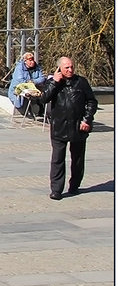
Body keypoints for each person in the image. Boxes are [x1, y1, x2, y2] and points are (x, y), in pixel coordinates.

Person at [42, 57, 97, 200]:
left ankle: (74, 186)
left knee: (77, 159)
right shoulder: (52, 82)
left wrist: (87, 119)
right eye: (66, 67)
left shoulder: (81, 82)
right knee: (57, 159)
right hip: (59, 127)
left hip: (78, 127)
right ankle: (56, 190)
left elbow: (91, 101)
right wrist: (55, 81)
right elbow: (43, 98)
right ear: (59, 68)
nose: (70, 70)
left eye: (72, 67)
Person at [8, 51, 47, 118]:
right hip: (21, 87)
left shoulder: (37, 67)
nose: (32, 62)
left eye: (33, 60)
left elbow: (42, 78)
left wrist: (33, 81)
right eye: (30, 60)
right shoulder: (19, 67)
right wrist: (28, 83)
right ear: (25, 61)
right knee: (25, 97)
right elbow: (20, 80)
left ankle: (40, 109)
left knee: (43, 92)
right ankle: (29, 109)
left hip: (34, 86)